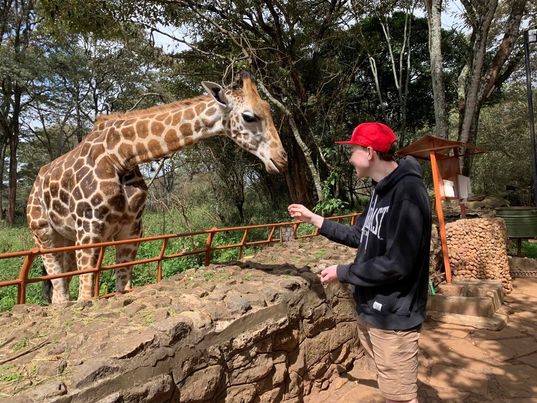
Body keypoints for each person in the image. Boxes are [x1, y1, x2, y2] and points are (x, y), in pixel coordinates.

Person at [288, 122, 431, 403]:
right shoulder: (379, 190)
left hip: (394, 317)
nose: (350, 159)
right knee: (389, 388)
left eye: (352, 151)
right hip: (371, 312)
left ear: (369, 152)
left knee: (401, 397)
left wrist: (343, 272)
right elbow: (359, 235)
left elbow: (398, 264)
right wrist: (314, 219)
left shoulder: (408, 193)